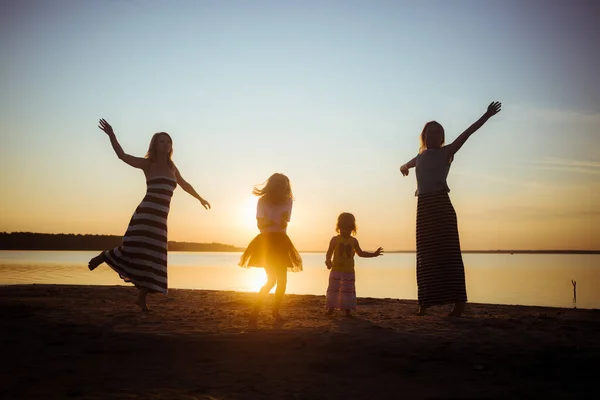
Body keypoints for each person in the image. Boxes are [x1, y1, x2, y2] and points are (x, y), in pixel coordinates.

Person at [88, 118, 211, 311]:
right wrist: (112, 135)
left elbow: (185, 184)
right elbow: (122, 155)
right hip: (145, 214)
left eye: (168, 141)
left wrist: (200, 198)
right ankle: (105, 256)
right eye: (162, 141)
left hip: (161, 219)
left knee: (155, 257)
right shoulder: (148, 164)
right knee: (135, 248)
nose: (166, 144)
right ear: (155, 144)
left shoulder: (172, 167)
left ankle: (141, 298)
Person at [400, 101, 501, 317]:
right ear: (424, 136)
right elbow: (409, 163)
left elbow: (468, 133)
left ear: (442, 137)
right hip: (424, 208)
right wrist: (403, 167)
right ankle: (425, 303)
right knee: (426, 256)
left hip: (441, 206)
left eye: (438, 133)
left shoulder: (447, 152)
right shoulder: (420, 156)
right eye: (430, 133)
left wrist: (487, 115)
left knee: (448, 254)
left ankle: (459, 302)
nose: (433, 136)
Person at [239, 173, 302, 324]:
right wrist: (272, 223)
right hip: (266, 243)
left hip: (281, 242)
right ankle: (255, 311)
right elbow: (261, 225)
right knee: (271, 280)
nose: (282, 190)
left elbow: (283, 224)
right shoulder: (262, 201)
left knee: (282, 281)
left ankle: (276, 311)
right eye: (278, 187)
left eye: (284, 187)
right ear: (273, 187)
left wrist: (270, 222)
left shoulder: (288, 201)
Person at [325, 212, 383, 317]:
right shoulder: (335, 239)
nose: (345, 231)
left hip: (349, 271)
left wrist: (374, 254)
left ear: (352, 229)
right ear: (339, 227)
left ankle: (347, 310)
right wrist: (328, 261)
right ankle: (331, 308)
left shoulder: (354, 241)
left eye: (348, 229)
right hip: (336, 270)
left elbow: (360, 253)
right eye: (343, 228)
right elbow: (329, 252)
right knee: (334, 288)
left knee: (348, 290)